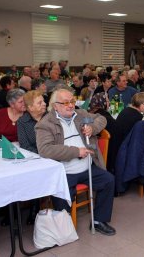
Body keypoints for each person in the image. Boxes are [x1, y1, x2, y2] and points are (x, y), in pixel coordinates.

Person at [35, 88, 116, 236]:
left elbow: (102, 118)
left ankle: (99, 220)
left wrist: (93, 128)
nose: (71, 105)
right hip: (64, 171)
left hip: (87, 167)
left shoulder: (80, 115)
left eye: (72, 101)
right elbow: (45, 150)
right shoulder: (45, 124)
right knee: (62, 204)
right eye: (65, 102)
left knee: (109, 180)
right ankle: (64, 227)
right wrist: (76, 151)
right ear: (55, 106)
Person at [17, 90, 47, 224]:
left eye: (44, 101)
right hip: (36, 158)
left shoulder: (51, 117)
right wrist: (41, 154)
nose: (44, 104)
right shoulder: (22, 122)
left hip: (54, 156)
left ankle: (36, 207)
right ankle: (19, 210)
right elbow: (24, 145)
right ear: (30, 108)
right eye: (40, 102)